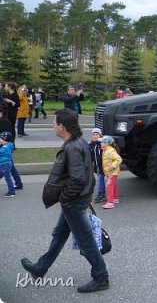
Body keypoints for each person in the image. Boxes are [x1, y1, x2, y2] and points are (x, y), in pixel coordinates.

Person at [20, 109, 109, 293]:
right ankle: (40, 268)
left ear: (62, 126)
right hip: (74, 201)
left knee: (86, 241)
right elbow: (86, 173)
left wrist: (65, 198)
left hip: (73, 203)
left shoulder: (73, 147)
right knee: (59, 235)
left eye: (54, 123)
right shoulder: (77, 142)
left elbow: (78, 179)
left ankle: (101, 277)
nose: (53, 125)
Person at [0, 104, 22, 190]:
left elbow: (6, 137)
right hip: (7, 147)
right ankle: (18, 183)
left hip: (5, 147)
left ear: (1, 113)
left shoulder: (4, 122)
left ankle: (16, 185)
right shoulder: (4, 121)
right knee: (10, 165)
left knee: (7, 165)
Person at [99, 135, 122, 209]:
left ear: (107, 143)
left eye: (102, 142)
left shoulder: (110, 151)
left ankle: (110, 202)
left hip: (113, 172)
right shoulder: (105, 150)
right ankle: (115, 198)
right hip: (110, 172)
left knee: (109, 186)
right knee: (113, 185)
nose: (100, 143)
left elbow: (118, 159)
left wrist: (113, 166)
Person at [89, 128, 106, 203]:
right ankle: (102, 194)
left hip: (106, 166)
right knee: (100, 180)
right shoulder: (90, 145)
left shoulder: (103, 144)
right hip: (98, 167)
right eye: (93, 135)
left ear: (100, 135)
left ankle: (102, 194)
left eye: (97, 134)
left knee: (109, 180)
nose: (95, 136)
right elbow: (90, 156)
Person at [0, 131, 15, 197]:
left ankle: (11, 191)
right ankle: (11, 191)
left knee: (8, 178)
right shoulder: (10, 145)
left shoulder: (4, 148)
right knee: (6, 177)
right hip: (7, 164)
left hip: (4, 164)